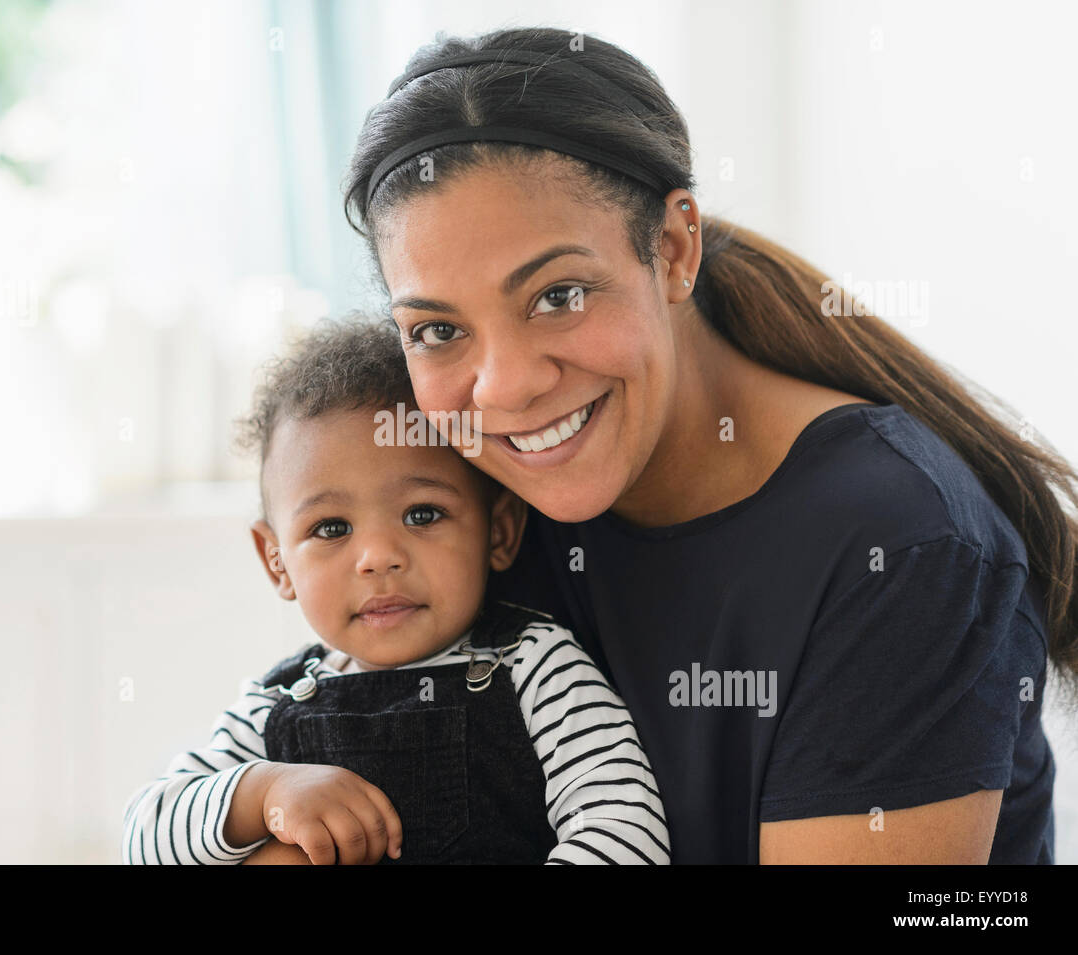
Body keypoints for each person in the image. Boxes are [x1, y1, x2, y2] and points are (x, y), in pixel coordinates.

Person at [336, 26, 1078, 863]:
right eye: (437, 329)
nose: (503, 388)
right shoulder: (481, 511)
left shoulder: (898, 544)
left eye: (559, 294)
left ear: (674, 248)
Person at [121, 317, 669, 865]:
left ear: (499, 531)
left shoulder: (534, 666)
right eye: (331, 528)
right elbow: (144, 835)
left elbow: (623, 827)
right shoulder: (275, 703)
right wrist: (264, 794)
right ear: (277, 561)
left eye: (422, 514)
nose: (378, 556)